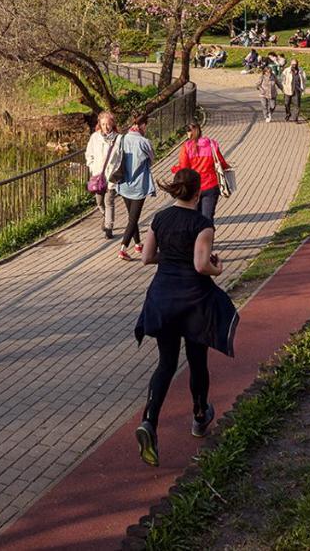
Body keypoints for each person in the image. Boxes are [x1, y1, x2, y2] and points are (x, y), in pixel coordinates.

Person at [133, 168, 238, 467]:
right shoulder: (202, 224)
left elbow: (146, 257)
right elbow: (201, 264)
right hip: (193, 302)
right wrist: (218, 268)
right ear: (198, 192)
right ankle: (199, 416)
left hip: (162, 298)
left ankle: (149, 421)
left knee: (166, 363)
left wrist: (168, 256)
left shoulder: (160, 219)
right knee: (196, 361)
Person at [115, 117, 156, 261]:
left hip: (124, 184)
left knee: (132, 217)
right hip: (139, 185)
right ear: (143, 125)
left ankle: (138, 244)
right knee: (133, 219)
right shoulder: (144, 142)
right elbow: (152, 159)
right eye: (146, 126)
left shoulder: (123, 139)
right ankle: (123, 248)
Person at [171, 123, 229, 220]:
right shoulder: (211, 144)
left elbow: (184, 168)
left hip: (193, 187)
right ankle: (208, 233)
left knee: (193, 217)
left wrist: (174, 169)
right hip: (211, 185)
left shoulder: (186, 147)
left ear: (190, 133)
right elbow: (221, 162)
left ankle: (196, 234)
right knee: (207, 218)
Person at [85, 111, 122, 239]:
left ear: (112, 124)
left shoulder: (119, 139)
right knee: (99, 201)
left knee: (109, 201)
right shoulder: (95, 137)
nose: (106, 127)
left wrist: (116, 174)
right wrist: (92, 168)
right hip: (98, 177)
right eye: (103, 124)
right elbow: (89, 154)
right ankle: (105, 216)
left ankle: (108, 228)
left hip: (111, 177)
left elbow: (121, 158)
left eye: (108, 124)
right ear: (99, 124)